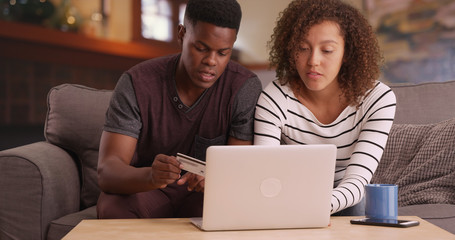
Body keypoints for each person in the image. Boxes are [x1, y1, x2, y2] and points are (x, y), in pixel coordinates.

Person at [96, 0, 262, 219]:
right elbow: (108, 171)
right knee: (111, 205)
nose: (211, 61)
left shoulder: (243, 88)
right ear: (182, 34)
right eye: (201, 48)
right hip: (150, 191)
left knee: (232, 209)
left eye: (223, 53)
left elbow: (240, 172)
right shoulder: (137, 82)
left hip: (206, 198)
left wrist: (218, 179)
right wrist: (151, 177)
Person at [254, 0, 396, 215]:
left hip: (349, 200)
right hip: (292, 196)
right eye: (302, 48)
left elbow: (357, 185)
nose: (313, 61)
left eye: (327, 50)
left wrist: (314, 207)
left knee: (358, 206)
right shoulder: (276, 97)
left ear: (347, 53)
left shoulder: (378, 99)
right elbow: (264, 173)